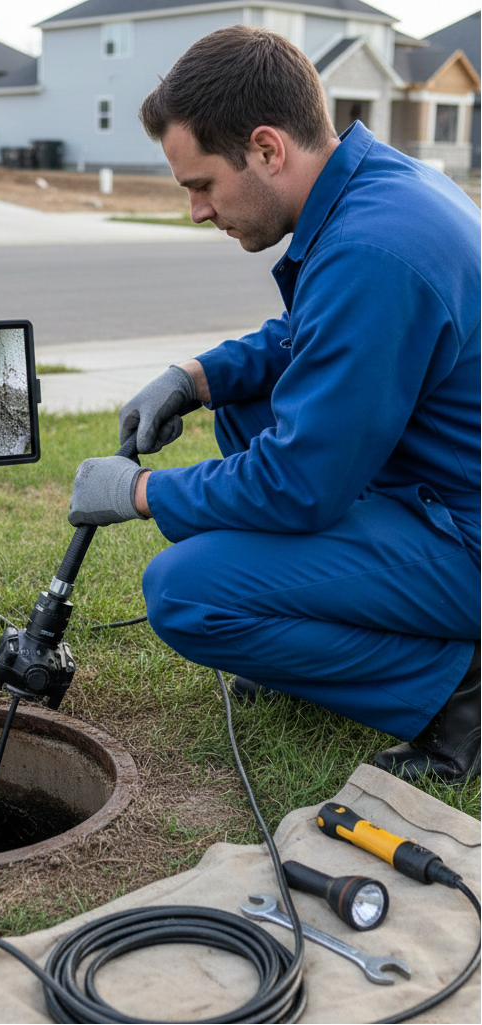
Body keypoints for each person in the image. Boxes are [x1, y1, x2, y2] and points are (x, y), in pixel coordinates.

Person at [68, 26, 481, 785]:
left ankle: (456, 687)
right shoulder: (377, 188)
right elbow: (310, 333)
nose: (198, 210)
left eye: (201, 185)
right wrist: (195, 377)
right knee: (244, 405)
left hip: (465, 534)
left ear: (266, 149)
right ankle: (319, 631)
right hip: (443, 481)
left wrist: (138, 491)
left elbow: (298, 484)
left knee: (185, 593)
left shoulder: (371, 251)